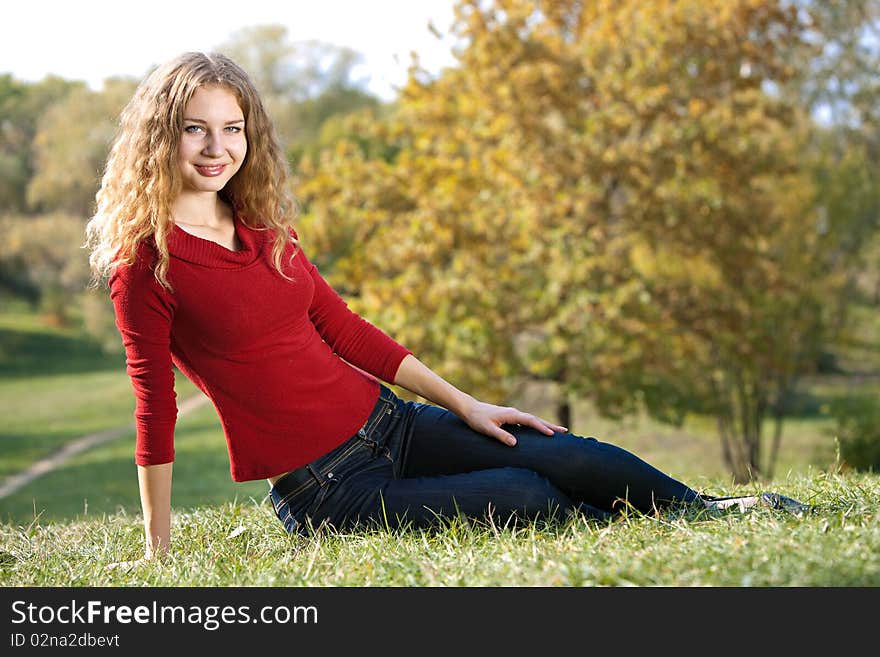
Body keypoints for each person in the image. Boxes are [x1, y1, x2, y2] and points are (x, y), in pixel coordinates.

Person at [85, 52, 806, 565]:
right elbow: (155, 406)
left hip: (390, 424)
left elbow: (344, 330)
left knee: (557, 449)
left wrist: (469, 407)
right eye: (196, 129)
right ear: (161, 137)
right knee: (524, 493)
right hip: (331, 490)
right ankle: (633, 528)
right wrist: (158, 552)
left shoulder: (265, 229)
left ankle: (705, 510)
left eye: (233, 127)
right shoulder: (145, 264)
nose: (219, 148)